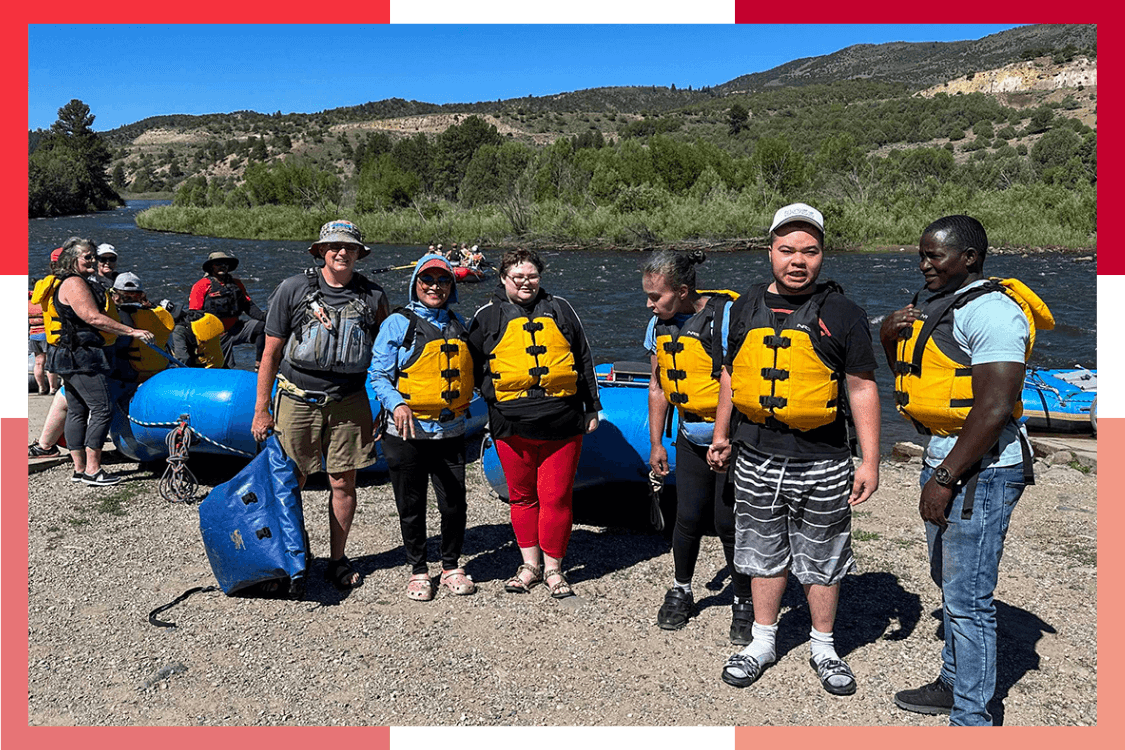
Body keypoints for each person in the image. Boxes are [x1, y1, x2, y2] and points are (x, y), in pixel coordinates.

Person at [881, 215, 1050, 726]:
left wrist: (946, 476)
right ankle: (954, 685)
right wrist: (891, 339)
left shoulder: (994, 312)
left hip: (983, 467)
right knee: (948, 582)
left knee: (967, 598)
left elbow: (995, 405)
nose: (924, 264)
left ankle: (972, 718)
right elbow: (917, 378)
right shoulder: (937, 305)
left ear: (970, 258)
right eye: (922, 254)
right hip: (946, 456)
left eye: (935, 256)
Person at [708, 203, 880, 696]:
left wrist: (870, 460)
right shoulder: (741, 307)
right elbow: (730, 376)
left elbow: (862, 386)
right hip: (755, 454)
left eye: (809, 250)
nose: (797, 260)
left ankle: (823, 646)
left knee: (823, 555)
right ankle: (762, 641)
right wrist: (721, 434)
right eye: (787, 250)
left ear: (823, 255)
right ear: (770, 252)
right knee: (761, 551)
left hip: (823, 459)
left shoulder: (843, 313)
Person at [251, 220, 389, 591]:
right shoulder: (293, 290)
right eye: (333, 246)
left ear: (360, 253)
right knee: (288, 481)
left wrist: (386, 403)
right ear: (320, 251)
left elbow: (384, 355)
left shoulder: (373, 296)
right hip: (297, 400)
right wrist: (261, 408)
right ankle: (287, 557)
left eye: (349, 247)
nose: (341, 252)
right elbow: (271, 352)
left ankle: (337, 559)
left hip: (350, 402)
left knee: (343, 481)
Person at [466, 248, 601, 599]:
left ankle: (554, 568)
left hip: (563, 420)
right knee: (522, 498)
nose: (526, 283)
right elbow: (472, 364)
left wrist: (592, 408)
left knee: (556, 497)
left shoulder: (561, 309)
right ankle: (529, 565)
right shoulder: (487, 316)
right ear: (503, 278)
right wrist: (490, 398)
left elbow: (583, 357)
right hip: (511, 423)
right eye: (518, 277)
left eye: (532, 276)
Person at [642, 249, 754, 644]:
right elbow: (658, 386)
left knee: (727, 522)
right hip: (689, 435)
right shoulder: (658, 325)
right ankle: (682, 588)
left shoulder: (724, 317)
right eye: (648, 296)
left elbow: (732, 379)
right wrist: (657, 442)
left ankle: (744, 600)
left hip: (731, 437)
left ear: (684, 291)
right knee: (686, 517)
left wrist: (722, 437)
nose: (650, 304)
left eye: (657, 297)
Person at [369, 253, 476, 601]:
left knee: (453, 503)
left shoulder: (459, 324)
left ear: (452, 287)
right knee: (411, 503)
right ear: (416, 283)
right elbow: (378, 375)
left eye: (443, 281)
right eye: (427, 280)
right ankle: (418, 569)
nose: (435, 286)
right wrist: (397, 403)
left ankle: (450, 564)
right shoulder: (399, 324)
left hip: (450, 431)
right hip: (406, 432)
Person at [43, 237, 155, 486]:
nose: (93, 260)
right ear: (73, 259)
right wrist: (131, 332)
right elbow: (93, 317)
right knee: (102, 408)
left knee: (78, 409)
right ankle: (93, 470)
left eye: (94, 255)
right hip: (81, 357)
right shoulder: (74, 283)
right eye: (87, 256)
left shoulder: (68, 282)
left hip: (68, 355)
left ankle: (80, 469)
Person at [189, 250, 267, 368]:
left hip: (236, 329)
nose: (222, 266)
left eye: (225, 264)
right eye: (218, 263)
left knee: (262, 326)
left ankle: (260, 365)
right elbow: (194, 315)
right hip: (214, 336)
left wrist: (264, 317)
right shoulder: (201, 285)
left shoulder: (236, 283)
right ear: (211, 267)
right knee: (225, 368)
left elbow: (248, 305)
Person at [107, 273, 175, 385]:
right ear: (141, 296)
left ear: (116, 296)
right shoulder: (161, 314)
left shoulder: (118, 318)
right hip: (161, 369)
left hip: (133, 373)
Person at [29, 248, 63, 396]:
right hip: (47, 333)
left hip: (33, 335)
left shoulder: (31, 302)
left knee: (38, 363)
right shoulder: (49, 296)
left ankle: (41, 387)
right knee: (50, 363)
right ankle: (53, 388)